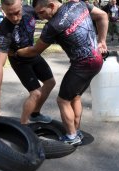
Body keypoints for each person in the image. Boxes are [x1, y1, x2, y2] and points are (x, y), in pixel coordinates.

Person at [17, 0, 108, 145]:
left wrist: (17, 52)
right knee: (75, 97)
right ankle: (76, 130)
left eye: (42, 12)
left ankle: (71, 136)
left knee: (62, 100)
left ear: (52, 5)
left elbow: (35, 51)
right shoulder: (78, 3)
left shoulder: (52, 26)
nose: (40, 17)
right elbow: (102, 15)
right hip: (97, 60)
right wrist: (102, 40)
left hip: (82, 65)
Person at [0, 0, 56, 125]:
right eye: (9, 14)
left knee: (50, 82)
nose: (15, 18)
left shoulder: (30, 10)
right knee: (36, 93)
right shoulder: (4, 31)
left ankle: (35, 114)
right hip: (19, 60)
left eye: (17, 12)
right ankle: (23, 124)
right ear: (3, 11)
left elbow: (50, 13)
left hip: (32, 53)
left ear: (21, 4)